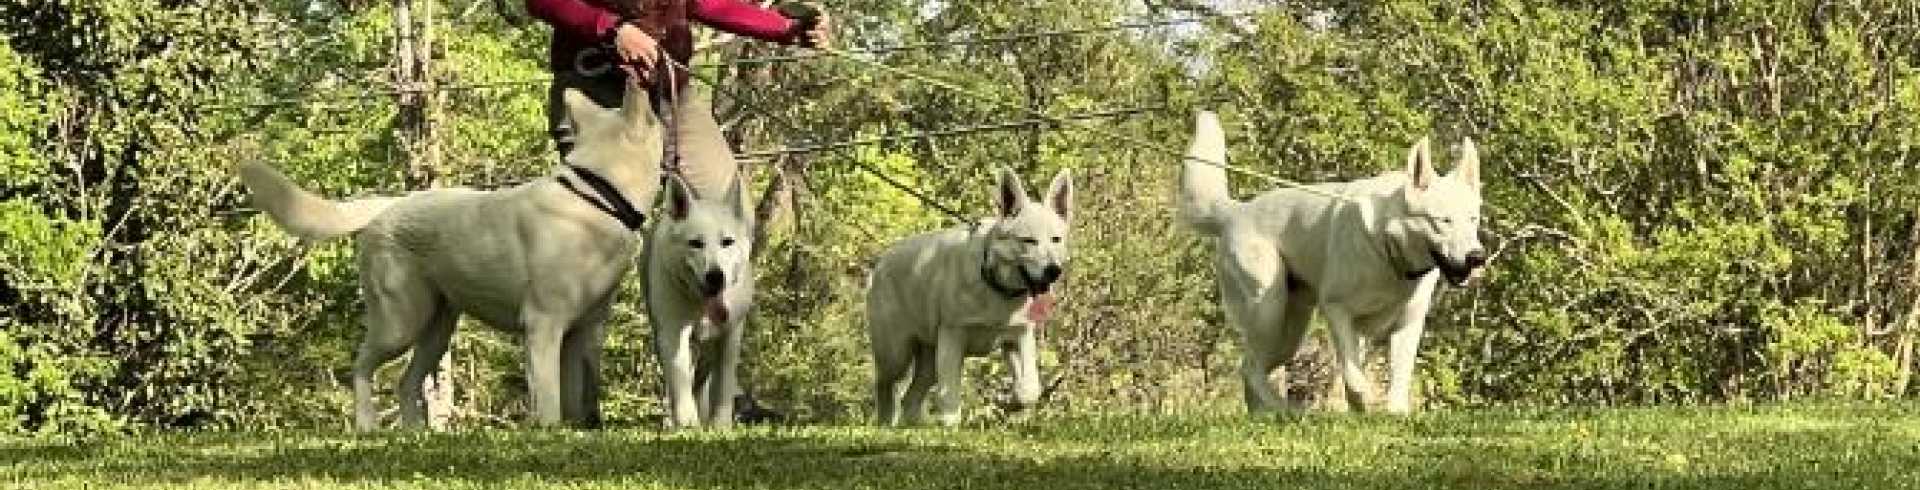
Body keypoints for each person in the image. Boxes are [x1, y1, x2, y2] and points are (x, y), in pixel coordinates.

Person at [527, 0, 831, 195]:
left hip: (671, 93)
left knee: (721, 204)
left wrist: (787, 28)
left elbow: (709, 4)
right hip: (594, 95)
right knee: (600, 222)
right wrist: (611, 30)